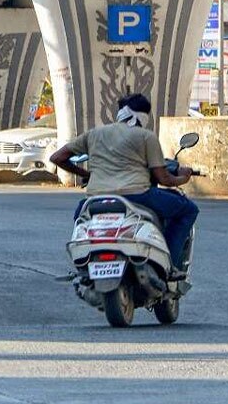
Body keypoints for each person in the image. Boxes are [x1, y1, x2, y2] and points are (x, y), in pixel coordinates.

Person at [49, 93, 198, 279]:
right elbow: (164, 179)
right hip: (138, 195)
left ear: (120, 113)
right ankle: (170, 265)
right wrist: (183, 178)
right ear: (144, 116)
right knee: (189, 210)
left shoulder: (94, 134)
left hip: (96, 198)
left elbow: (56, 158)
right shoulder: (145, 136)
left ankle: (83, 264)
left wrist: (87, 175)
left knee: (81, 216)